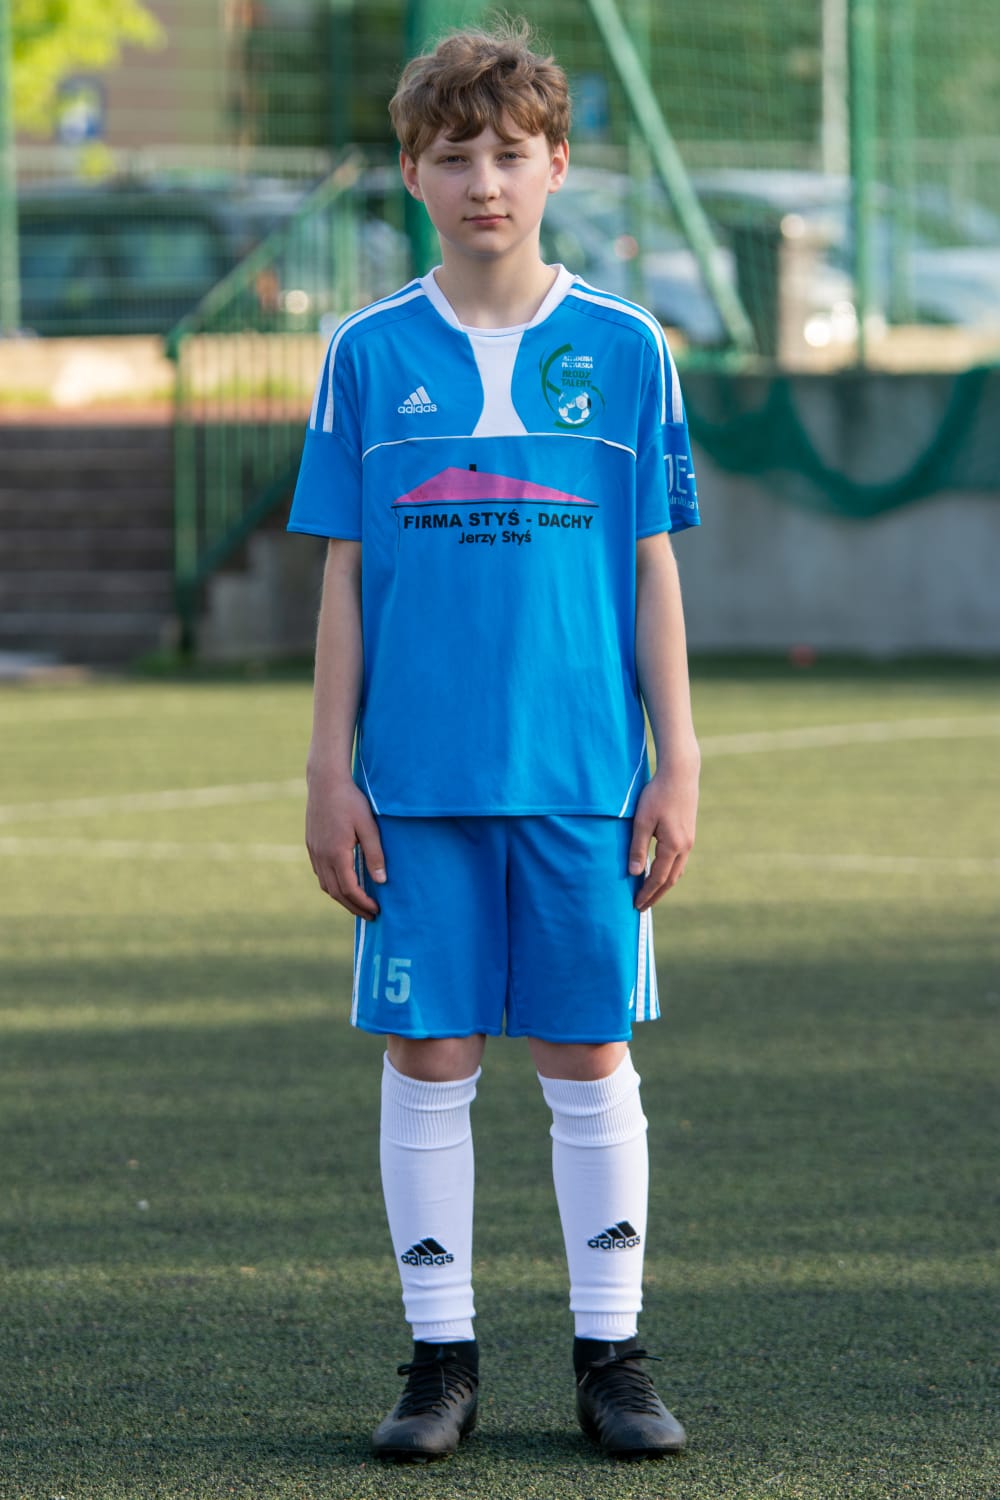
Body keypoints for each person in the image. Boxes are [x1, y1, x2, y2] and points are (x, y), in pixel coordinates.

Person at [287, 17, 701, 1464]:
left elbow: (651, 565)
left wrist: (680, 760)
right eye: (455, 156)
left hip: (583, 778)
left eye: (512, 155)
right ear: (412, 172)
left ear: (557, 167)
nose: (485, 183)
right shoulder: (365, 352)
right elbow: (343, 577)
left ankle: (613, 1360)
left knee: (588, 1056)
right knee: (430, 1055)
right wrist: (329, 771)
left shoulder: (628, 348)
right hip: (415, 783)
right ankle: (439, 1363)